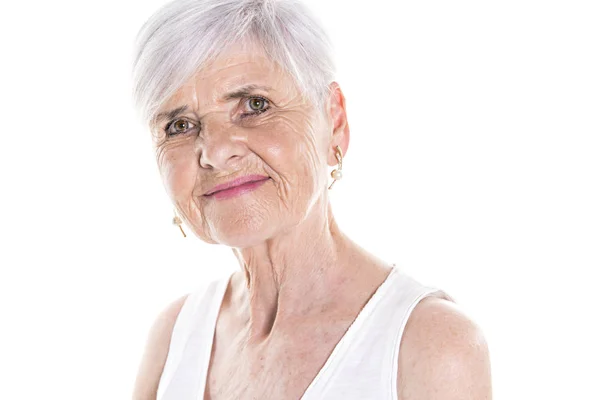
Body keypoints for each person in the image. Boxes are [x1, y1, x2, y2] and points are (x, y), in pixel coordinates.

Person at [130, 0, 492, 399]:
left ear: (334, 122)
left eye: (254, 106)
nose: (215, 151)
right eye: (180, 126)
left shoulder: (430, 345)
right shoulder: (174, 337)